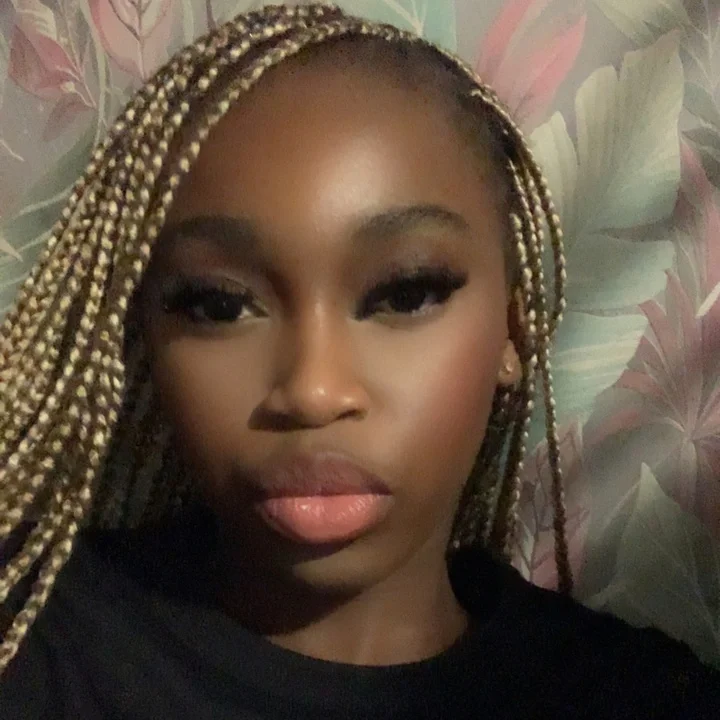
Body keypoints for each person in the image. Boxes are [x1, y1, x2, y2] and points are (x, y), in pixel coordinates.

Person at [0, 3, 717, 717]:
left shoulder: (642, 699)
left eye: (406, 294)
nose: (313, 392)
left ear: (513, 332)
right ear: (147, 334)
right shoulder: (29, 648)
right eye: (219, 305)